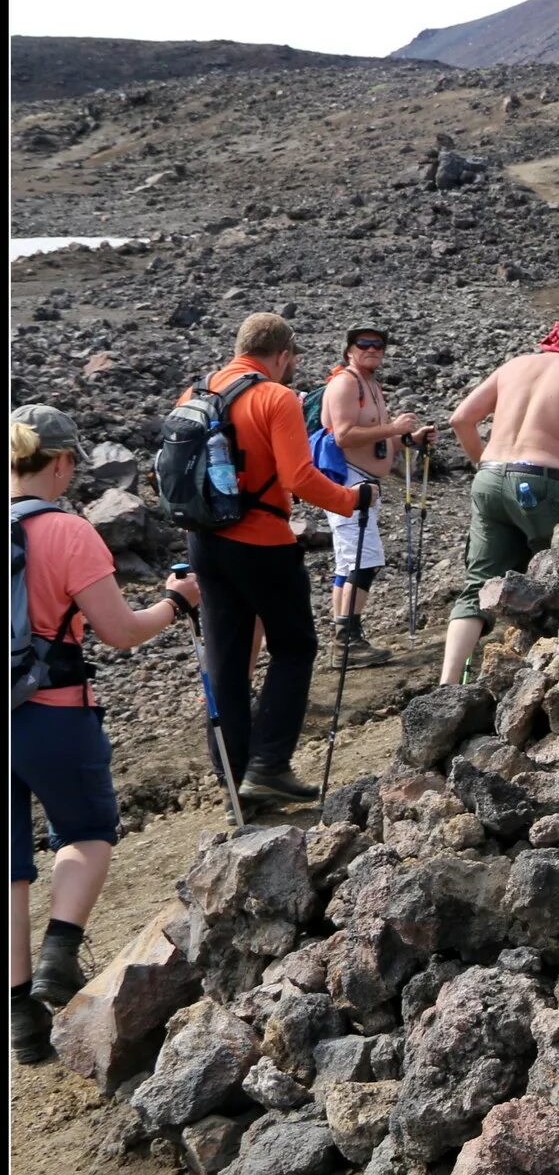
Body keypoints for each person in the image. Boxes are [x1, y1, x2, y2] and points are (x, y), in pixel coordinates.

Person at [11, 405, 205, 1063]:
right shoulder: (69, 532)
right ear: (63, 462)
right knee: (86, 831)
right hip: (57, 713)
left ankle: (21, 1022)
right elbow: (120, 631)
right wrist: (176, 602)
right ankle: (59, 954)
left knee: (10, 868)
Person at [181, 313, 376, 806]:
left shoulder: (196, 392)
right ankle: (268, 766)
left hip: (204, 541)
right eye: (295, 357)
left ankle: (235, 783)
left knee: (226, 659)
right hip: (262, 542)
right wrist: (353, 500)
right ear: (283, 353)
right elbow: (299, 478)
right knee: (294, 646)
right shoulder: (275, 396)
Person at [444, 319, 559, 685]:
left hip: (488, 478)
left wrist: (486, 464)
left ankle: (446, 685)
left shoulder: (514, 366)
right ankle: (556, 673)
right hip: (540, 483)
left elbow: (461, 419)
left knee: (478, 583)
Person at [319, 327, 436, 667]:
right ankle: (347, 643)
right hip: (348, 482)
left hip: (364, 482)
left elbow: (376, 438)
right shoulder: (345, 383)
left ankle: (345, 638)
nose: (372, 348)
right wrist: (395, 428)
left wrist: (409, 439)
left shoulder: (370, 384)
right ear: (349, 350)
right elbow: (343, 435)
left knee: (350, 562)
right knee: (364, 560)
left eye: (378, 344)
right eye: (363, 344)